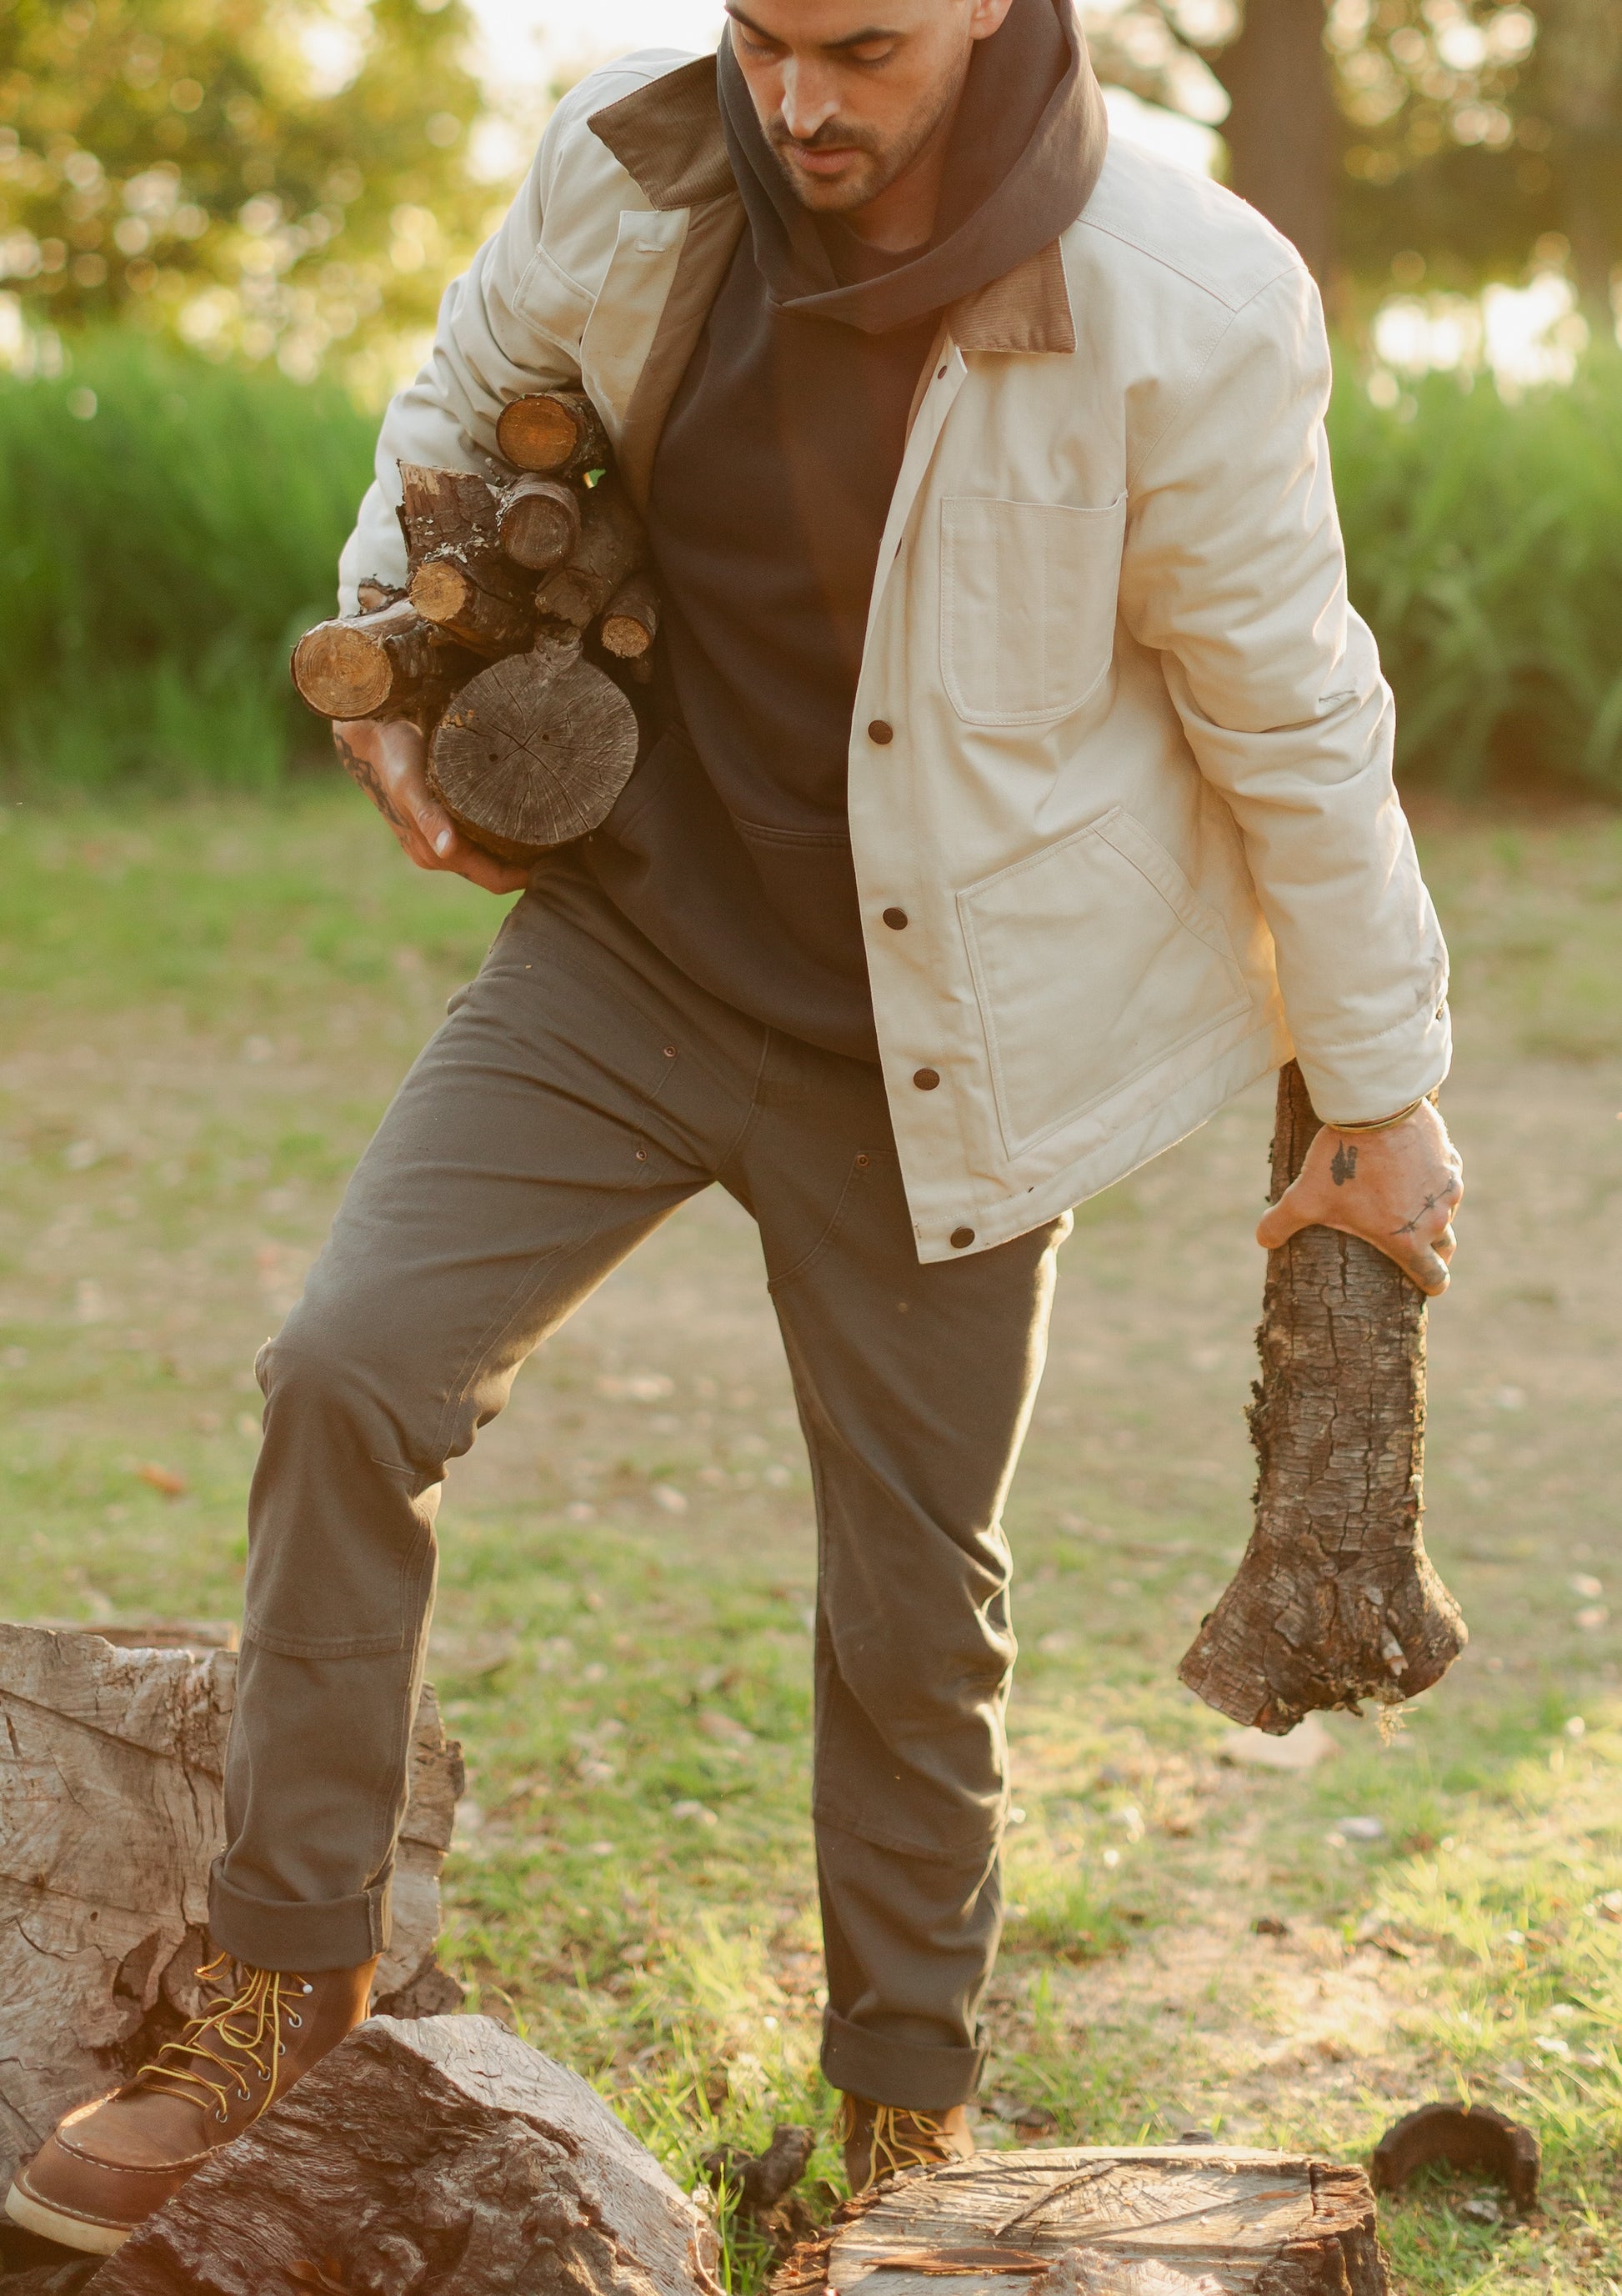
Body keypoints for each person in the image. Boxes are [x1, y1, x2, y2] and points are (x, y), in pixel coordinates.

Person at [10, 0, 1464, 2254]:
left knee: (909, 1605)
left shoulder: (1185, 301)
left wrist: (1377, 1092)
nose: (802, 101)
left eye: (862, 49)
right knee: (346, 1364)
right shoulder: (630, 159)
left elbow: (1292, 701)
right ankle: (285, 1961)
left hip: (949, 1040)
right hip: (629, 959)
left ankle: (905, 2121)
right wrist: (382, 641)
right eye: (768, 35)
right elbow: (442, 408)